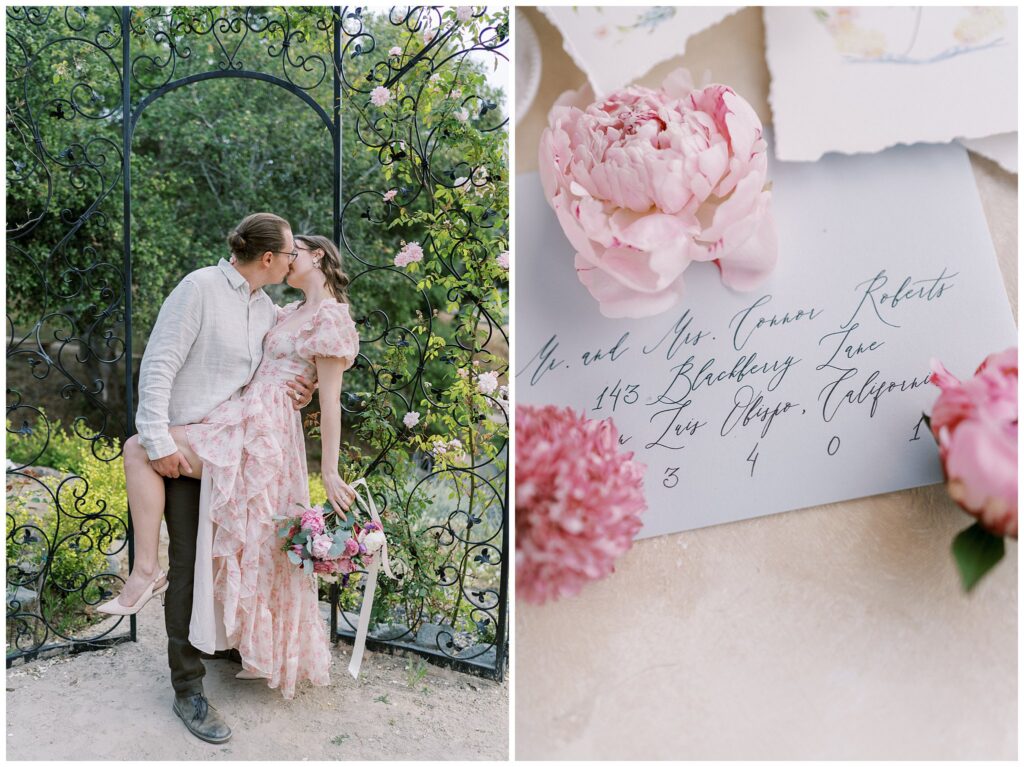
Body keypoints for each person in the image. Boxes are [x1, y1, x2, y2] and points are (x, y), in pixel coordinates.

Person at [97, 215, 358, 740]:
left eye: (298, 254)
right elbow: (159, 367)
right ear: (269, 259)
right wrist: (158, 439)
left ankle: (230, 642)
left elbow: (309, 381)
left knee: (240, 555)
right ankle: (187, 688)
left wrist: (306, 403)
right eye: (288, 252)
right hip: (191, 441)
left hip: (249, 442)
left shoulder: (268, 308)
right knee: (188, 560)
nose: (290, 260)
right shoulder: (200, 289)